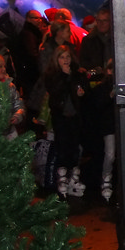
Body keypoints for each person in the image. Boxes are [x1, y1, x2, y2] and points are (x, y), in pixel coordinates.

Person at [44, 45, 89, 198]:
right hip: (61, 116)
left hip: (75, 115)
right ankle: (62, 178)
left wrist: (81, 92)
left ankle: (73, 177)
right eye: (62, 57)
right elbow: (54, 93)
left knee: (75, 146)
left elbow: (84, 88)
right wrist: (64, 76)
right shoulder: (52, 75)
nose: (65, 60)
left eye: (67, 57)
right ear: (56, 59)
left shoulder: (76, 73)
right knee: (62, 146)